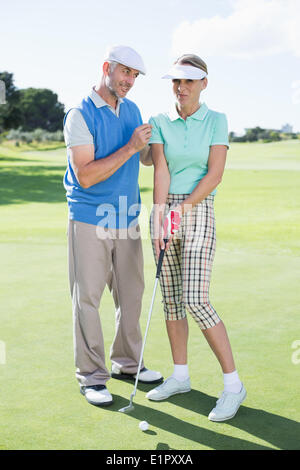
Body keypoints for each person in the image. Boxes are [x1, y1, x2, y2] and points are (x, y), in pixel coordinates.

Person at [146, 54, 246, 421]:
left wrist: (182, 209)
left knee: (195, 299)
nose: (181, 87)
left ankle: (233, 386)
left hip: (198, 208)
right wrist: (160, 218)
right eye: (176, 81)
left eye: (189, 81)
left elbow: (215, 174)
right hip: (165, 210)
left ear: (204, 83)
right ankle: (180, 376)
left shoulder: (217, 120)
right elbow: (161, 169)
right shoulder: (159, 121)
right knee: (171, 302)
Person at [63, 45, 163, 407]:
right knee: (87, 298)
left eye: (135, 76)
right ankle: (91, 376)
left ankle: (127, 363)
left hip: (127, 217)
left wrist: (161, 135)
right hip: (89, 217)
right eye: (125, 73)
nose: (130, 81)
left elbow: (147, 157)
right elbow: (86, 175)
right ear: (107, 68)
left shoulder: (133, 109)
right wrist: (132, 145)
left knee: (131, 295)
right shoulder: (80, 114)